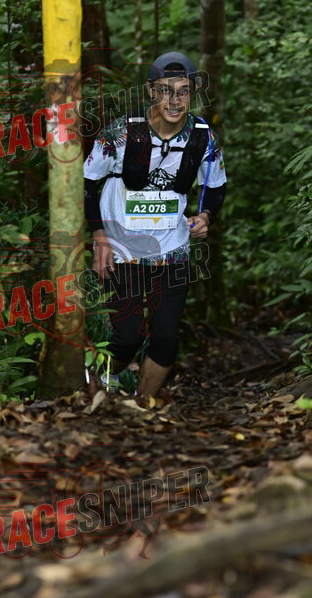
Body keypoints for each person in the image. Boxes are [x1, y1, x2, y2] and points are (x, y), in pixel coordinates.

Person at [83, 52, 227, 398]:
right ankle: (94, 387)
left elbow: (215, 186)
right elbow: (86, 184)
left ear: (192, 94)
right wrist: (99, 237)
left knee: (165, 339)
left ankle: (141, 409)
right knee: (127, 337)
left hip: (173, 248)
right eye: (165, 90)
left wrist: (206, 216)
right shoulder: (120, 132)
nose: (174, 100)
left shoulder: (202, 136)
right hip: (122, 249)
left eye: (183, 91)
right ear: (150, 92)